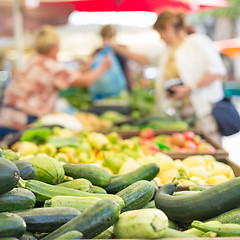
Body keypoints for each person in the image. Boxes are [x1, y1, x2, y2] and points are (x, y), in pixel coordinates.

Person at [0, 25, 111, 139]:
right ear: (53, 48)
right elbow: (86, 81)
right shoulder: (50, 65)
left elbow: (66, 75)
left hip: (6, 118)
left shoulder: (33, 61)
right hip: (23, 122)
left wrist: (84, 68)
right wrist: (104, 66)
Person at [152, 10, 227, 142]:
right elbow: (147, 58)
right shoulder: (170, 50)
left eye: (160, 33)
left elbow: (217, 71)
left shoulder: (197, 41)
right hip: (183, 115)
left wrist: (189, 88)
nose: (161, 38)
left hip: (204, 113)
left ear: (168, 27)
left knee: (211, 149)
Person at [97, 24, 149, 91]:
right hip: (122, 89)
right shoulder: (99, 52)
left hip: (105, 90)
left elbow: (144, 60)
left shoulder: (99, 52)